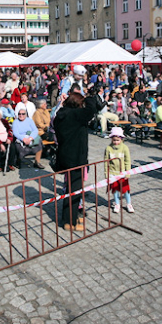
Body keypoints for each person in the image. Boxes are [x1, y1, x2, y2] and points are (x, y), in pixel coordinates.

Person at [53, 90, 100, 231]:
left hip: (66, 157)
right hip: (76, 159)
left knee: (70, 190)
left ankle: (68, 218)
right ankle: (70, 222)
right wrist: (90, 97)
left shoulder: (60, 115)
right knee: (74, 191)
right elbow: (91, 109)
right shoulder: (75, 115)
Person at [104, 127, 133, 213]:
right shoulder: (108, 148)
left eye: (118, 140)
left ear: (122, 139)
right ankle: (117, 203)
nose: (116, 142)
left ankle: (129, 203)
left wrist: (128, 173)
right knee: (115, 190)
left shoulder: (125, 148)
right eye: (114, 140)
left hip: (122, 173)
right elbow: (106, 162)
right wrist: (107, 173)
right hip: (113, 173)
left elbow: (128, 161)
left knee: (125, 190)